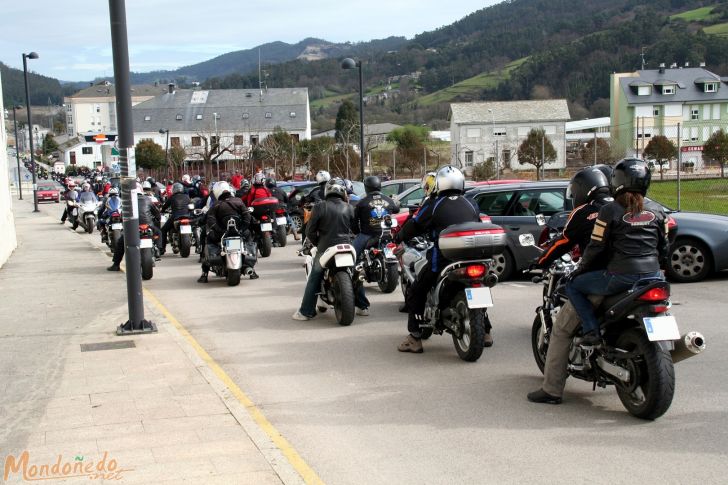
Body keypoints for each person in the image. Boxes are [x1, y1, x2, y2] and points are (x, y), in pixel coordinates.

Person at [527, 158, 669, 405]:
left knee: (564, 316)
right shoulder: (657, 211)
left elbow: (595, 248)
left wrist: (579, 270)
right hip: (653, 278)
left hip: (619, 277)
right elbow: (663, 247)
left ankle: (552, 388)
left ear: (618, 181)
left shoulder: (610, 210)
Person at [393, 166, 485, 353]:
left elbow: (415, 225)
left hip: (444, 259)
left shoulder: (434, 204)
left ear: (439, 184)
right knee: (477, 287)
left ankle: (415, 337)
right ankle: (487, 331)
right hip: (473, 256)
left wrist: (399, 236)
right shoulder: (470, 203)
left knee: (417, 290)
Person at [292, 178, 358, 321]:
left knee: (314, 277)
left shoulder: (320, 207)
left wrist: (318, 243)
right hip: (347, 246)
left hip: (326, 247)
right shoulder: (350, 208)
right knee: (356, 274)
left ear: (327, 191)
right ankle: (363, 305)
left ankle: (305, 311)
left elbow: (309, 231)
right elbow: (356, 229)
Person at [536, 167, 613, 268]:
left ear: (583, 188)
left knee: (568, 283)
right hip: (622, 268)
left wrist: (541, 261)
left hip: (596, 270)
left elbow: (564, 242)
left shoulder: (582, 212)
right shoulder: (621, 205)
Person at [197, 181, 255, 282]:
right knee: (249, 237)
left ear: (216, 192)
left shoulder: (216, 205)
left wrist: (219, 230)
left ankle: (204, 273)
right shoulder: (238, 201)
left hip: (221, 234)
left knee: (208, 239)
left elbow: (210, 220)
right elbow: (247, 216)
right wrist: (242, 229)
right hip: (239, 233)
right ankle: (252, 270)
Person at [107, 189, 162, 271]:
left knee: (121, 242)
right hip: (148, 225)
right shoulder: (148, 199)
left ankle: (116, 264)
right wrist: (157, 220)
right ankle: (158, 249)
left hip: (133, 227)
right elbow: (157, 213)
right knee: (159, 233)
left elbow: (123, 216)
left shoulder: (128, 202)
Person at [160, 182, 192, 255]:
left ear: (174, 189)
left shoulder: (172, 197)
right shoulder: (187, 197)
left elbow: (165, 206)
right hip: (187, 216)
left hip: (176, 217)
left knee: (163, 230)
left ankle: (162, 249)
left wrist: (162, 210)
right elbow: (191, 205)